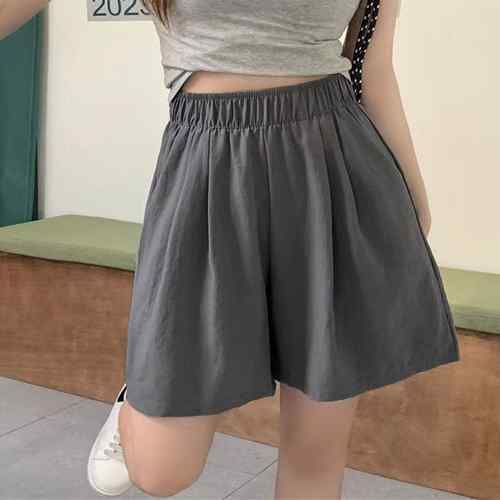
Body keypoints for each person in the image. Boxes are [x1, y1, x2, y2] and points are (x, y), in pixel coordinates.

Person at [1, 1, 461, 498]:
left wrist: (414, 205)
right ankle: (138, 393)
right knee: (161, 471)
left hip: (331, 171)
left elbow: (371, 66)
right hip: (208, 169)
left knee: (315, 457)